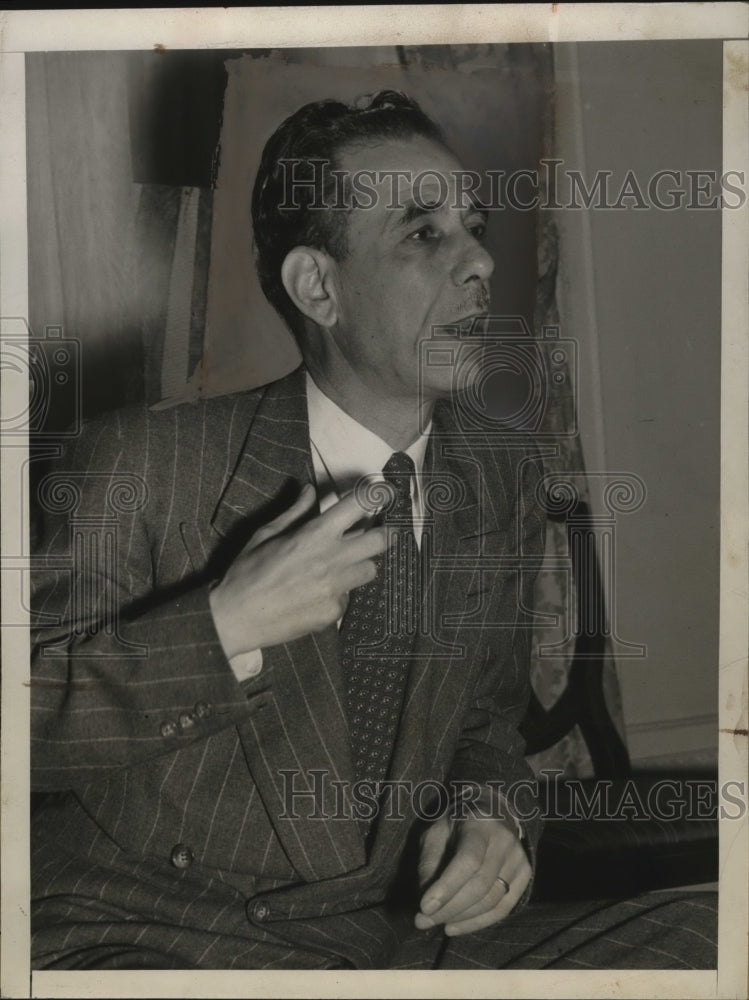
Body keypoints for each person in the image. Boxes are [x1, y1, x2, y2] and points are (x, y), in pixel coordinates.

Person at [29, 90, 716, 971]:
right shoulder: (139, 464)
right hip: (154, 936)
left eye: (473, 229)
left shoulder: (499, 472)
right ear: (319, 286)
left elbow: (487, 727)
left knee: (704, 939)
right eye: (423, 234)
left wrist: (492, 816)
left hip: (387, 942)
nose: (478, 263)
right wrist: (220, 628)